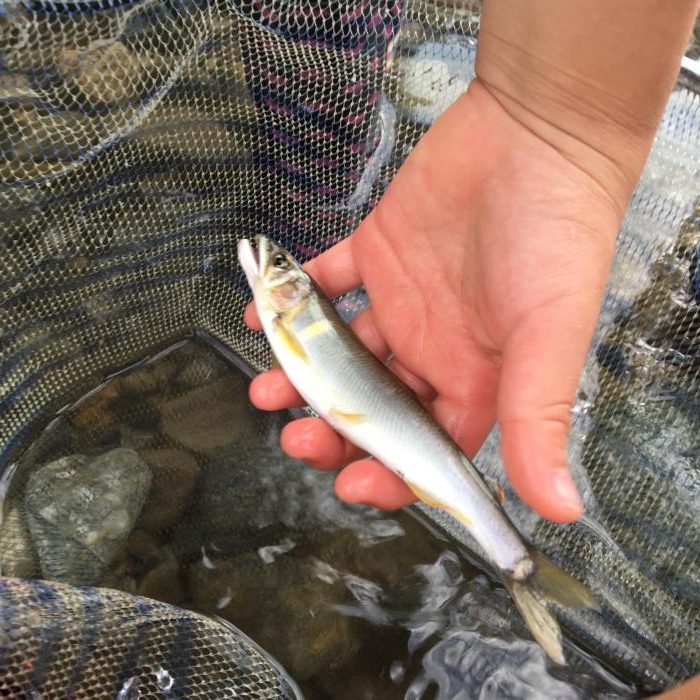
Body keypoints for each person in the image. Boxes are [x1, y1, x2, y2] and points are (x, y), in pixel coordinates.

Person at [246, 1, 700, 696]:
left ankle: (518, 564)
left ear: (291, 292)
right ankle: (518, 564)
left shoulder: (293, 311)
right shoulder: (296, 316)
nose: (270, 268)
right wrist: (549, 124)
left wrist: (554, 129)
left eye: (279, 268)